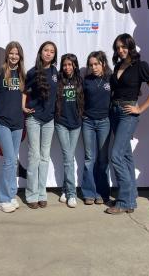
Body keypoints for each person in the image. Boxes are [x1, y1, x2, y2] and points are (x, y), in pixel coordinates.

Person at [105, 33, 149, 215]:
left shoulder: (140, 66)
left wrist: (140, 108)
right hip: (114, 111)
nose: (120, 50)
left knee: (116, 155)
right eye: (117, 47)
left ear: (131, 46)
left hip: (128, 113)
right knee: (126, 155)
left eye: (123, 47)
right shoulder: (117, 66)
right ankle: (131, 196)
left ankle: (123, 200)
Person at [0, 41, 25, 213]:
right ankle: (2, 198)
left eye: (17, 53)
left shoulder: (22, 74)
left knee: (13, 159)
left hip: (18, 122)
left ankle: (11, 194)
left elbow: (23, 96)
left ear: (20, 56)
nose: (14, 56)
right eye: (11, 53)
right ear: (7, 55)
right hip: (2, 121)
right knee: (9, 159)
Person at [22, 41, 58, 209]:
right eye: (46, 50)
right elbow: (24, 91)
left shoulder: (55, 72)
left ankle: (42, 193)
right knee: (34, 157)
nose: (49, 53)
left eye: (52, 51)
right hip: (34, 119)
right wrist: (23, 106)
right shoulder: (32, 72)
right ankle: (31, 195)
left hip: (49, 120)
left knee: (44, 157)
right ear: (41, 52)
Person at [81, 51, 112, 205]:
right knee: (89, 158)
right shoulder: (86, 80)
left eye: (96, 64)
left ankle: (102, 192)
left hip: (104, 122)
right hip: (87, 122)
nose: (93, 67)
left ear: (103, 64)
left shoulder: (110, 79)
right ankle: (88, 192)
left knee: (102, 159)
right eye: (91, 64)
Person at [55, 54, 84, 208]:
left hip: (76, 124)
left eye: (70, 64)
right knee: (68, 157)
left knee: (69, 157)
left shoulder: (80, 80)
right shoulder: (58, 81)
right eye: (65, 65)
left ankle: (65, 190)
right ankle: (72, 194)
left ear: (74, 66)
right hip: (61, 123)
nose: (67, 67)